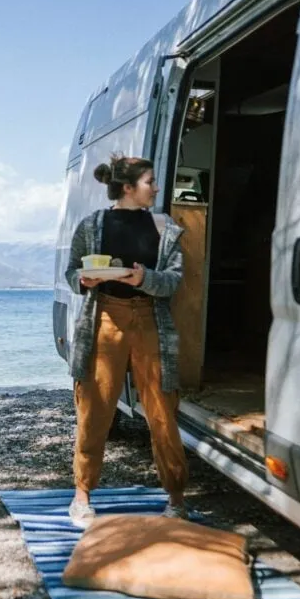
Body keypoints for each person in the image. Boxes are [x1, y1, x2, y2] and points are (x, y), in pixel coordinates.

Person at [64, 153, 189, 527]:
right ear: (130, 187)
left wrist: (143, 279)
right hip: (104, 318)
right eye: (151, 181)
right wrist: (84, 281)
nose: (157, 188)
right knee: (95, 409)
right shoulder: (92, 225)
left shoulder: (165, 227)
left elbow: (173, 281)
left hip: (150, 320)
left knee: (162, 411)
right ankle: (82, 496)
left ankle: (176, 497)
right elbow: (72, 272)